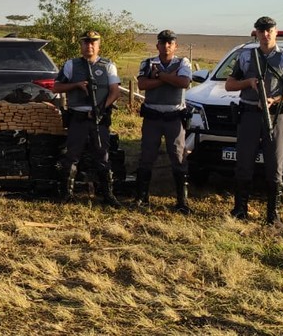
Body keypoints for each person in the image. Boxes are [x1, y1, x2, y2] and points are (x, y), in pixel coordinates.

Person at [225, 16, 283, 227]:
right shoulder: (245, 56)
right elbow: (230, 85)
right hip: (249, 114)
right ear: (256, 33)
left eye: (269, 30)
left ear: (276, 31)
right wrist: (248, 82)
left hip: (276, 115)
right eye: (261, 30)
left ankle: (274, 215)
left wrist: (275, 100)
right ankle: (240, 209)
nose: (265, 34)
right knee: (244, 162)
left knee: (275, 163)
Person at [52, 30, 122, 206]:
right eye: (86, 43)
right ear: (81, 45)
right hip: (78, 117)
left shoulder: (108, 65)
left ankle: (108, 195)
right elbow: (56, 87)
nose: (89, 46)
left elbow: (115, 91)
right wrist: (75, 85)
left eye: (93, 43)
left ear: (98, 45)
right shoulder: (71, 65)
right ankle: (67, 195)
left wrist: (101, 108)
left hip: (99, 117)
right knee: (72, 155)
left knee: (102, 156)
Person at [134, 29, 193, 213]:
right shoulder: (147, 62)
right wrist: (169, 78)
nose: (166, 46)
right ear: (157, 45)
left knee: (178, 156)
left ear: (175, 46)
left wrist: (159, 76)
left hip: (174, 117)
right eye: (163, 42)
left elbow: (184, 83)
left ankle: (182, 202)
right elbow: (142, 85)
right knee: (147, 156)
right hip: (152, 116)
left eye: (170, 43)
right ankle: (141, 198)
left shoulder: (183, 62)